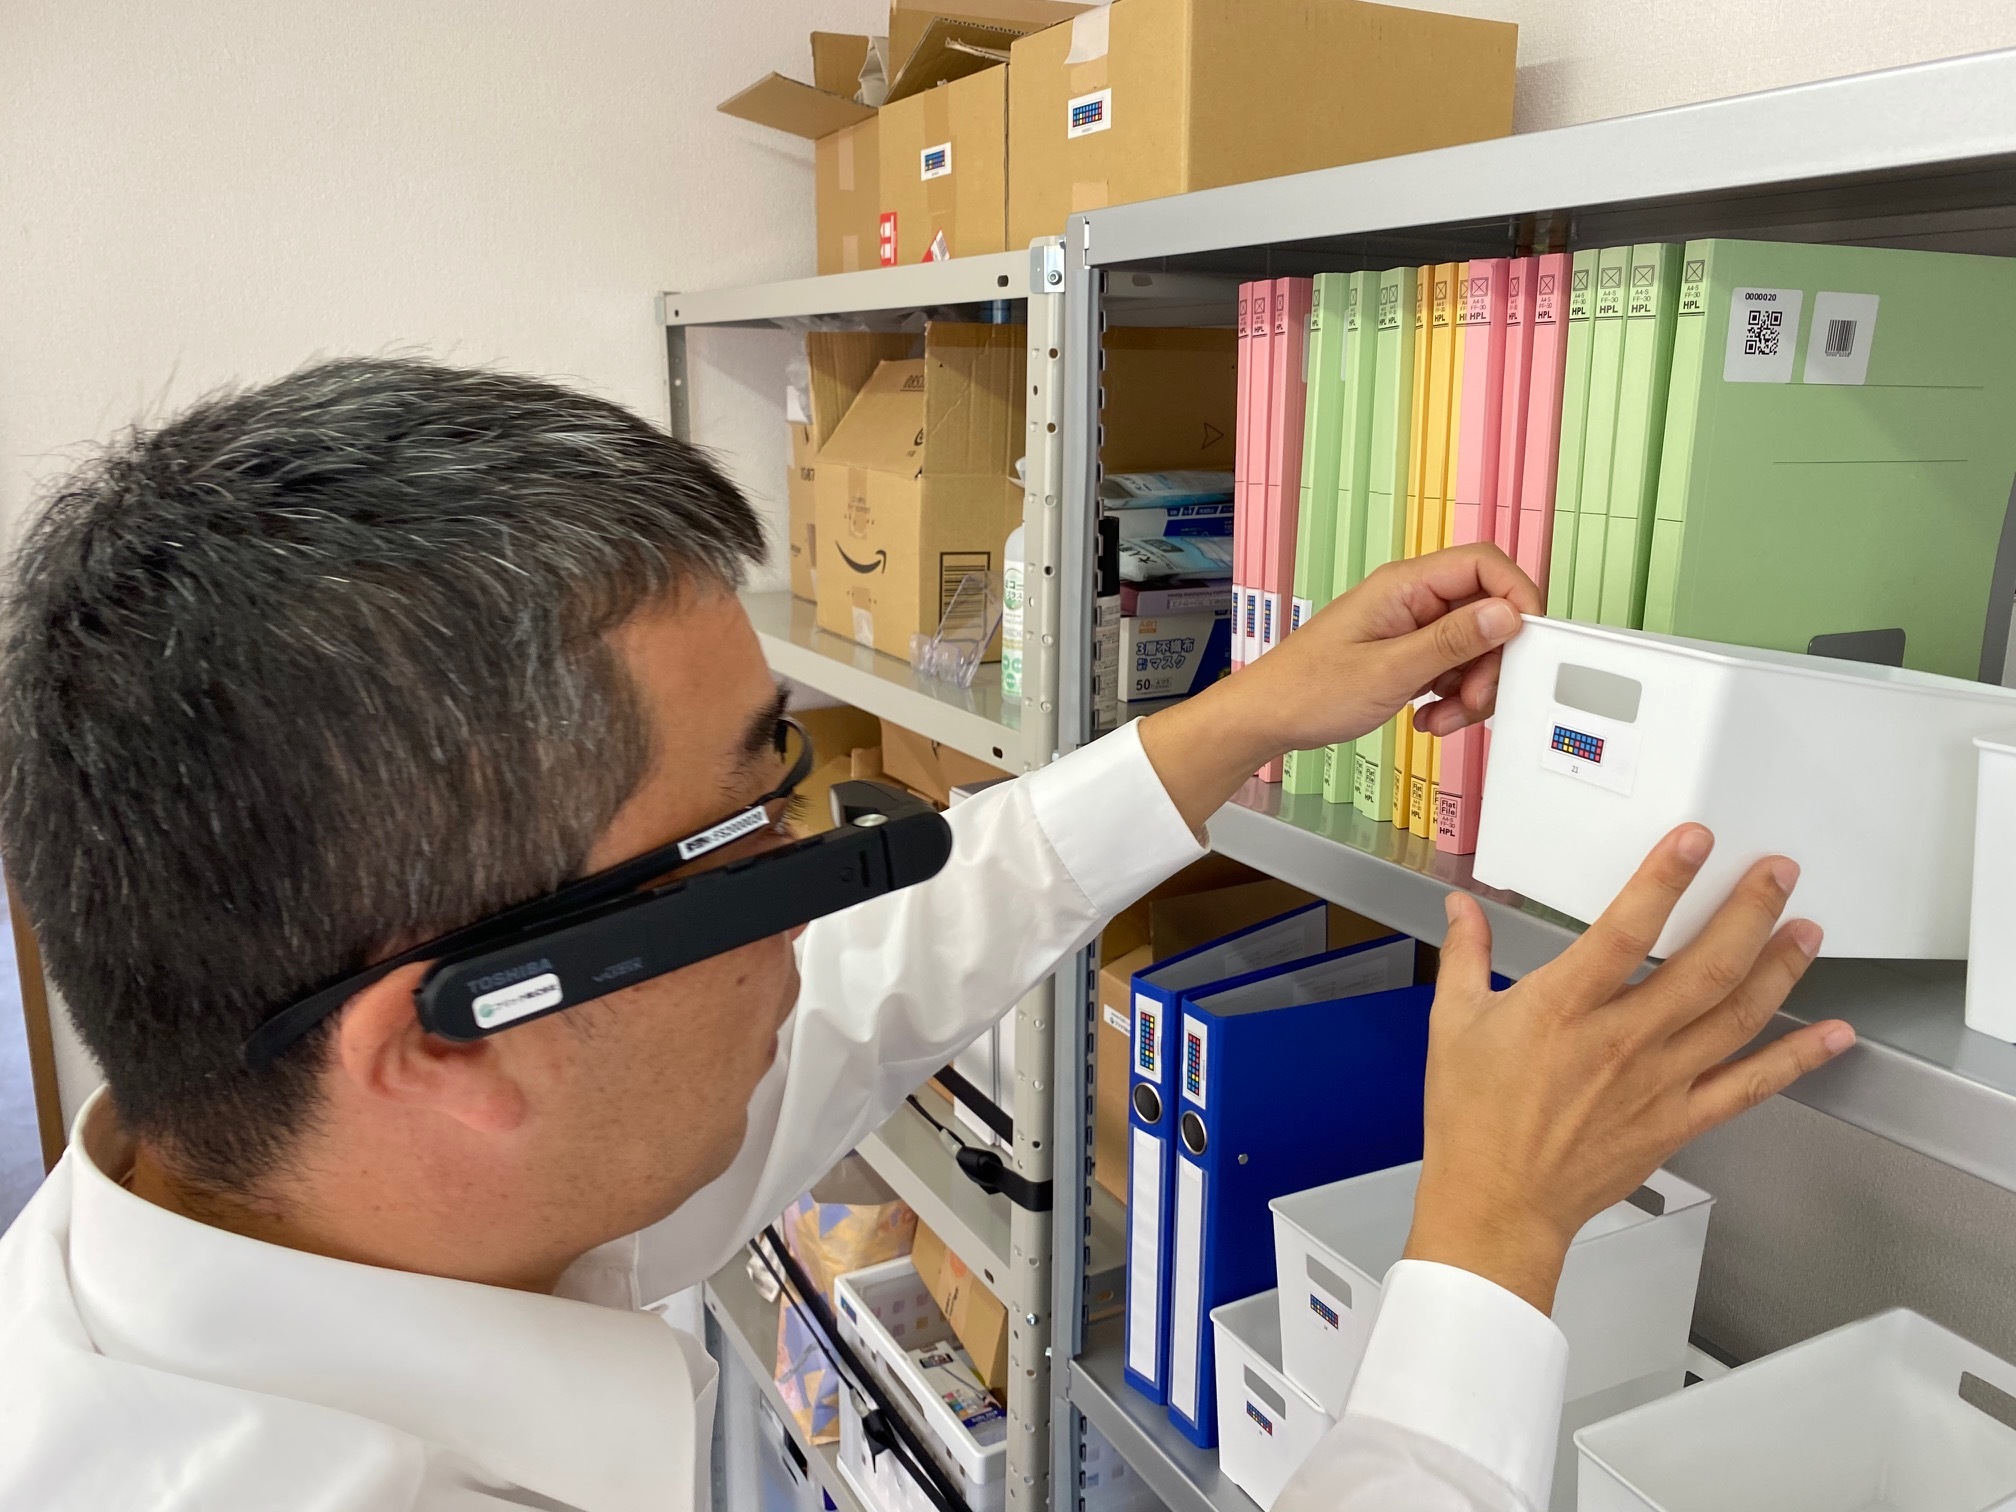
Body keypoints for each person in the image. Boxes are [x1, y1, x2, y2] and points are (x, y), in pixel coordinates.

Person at [0, 358, 1852, 1512]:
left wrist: (1240, 719)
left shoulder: (318, 1182)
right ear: (458, 1033)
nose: (829, 883)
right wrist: (1491, 1245)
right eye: (751, 839)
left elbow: (867, 986)